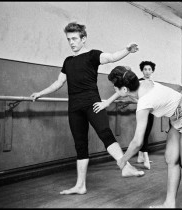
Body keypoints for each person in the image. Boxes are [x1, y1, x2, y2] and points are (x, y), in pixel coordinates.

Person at [30, 22, 144, 195]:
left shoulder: (92, 55)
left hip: (92, 103)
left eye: (75, 38)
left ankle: (125, 166)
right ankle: (80, 185)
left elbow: (111, 57)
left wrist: (127, 49)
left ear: (83, 39)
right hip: (74, 107)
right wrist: (40, 93)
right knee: (80, 145)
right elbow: (59, 83)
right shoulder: (68, 61)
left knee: (105, 133)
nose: (71, 42)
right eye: (69, 39)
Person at [93, 66, 182, 208]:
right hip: (177, 119)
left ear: (124, 90)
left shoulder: (143, 103)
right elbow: (126, 91)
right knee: (171, 158)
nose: (114, 90)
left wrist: (123, 160)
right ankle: (169, 204)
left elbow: (137, 142)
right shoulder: (143, 83)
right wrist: (108, 102)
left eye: (115, 88)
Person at [137, 61, 156, 169]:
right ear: (142, 70)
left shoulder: (153, 83)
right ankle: (146, 157)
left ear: (152, 70)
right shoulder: (139, 82)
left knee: (146, 133)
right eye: (145, 69)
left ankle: (140, 156)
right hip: (142, 111)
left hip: (151, 110)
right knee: (143, 133)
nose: (147, 72)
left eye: (149, 69)